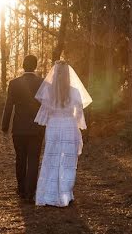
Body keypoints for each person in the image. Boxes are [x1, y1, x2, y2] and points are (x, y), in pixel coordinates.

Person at [33, 60, 92, 207]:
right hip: (68, 126)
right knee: (67, 162)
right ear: (68, 74)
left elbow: (45, 113)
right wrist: (78, 127)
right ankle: (65, 194)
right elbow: (79, 114)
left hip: (53, 126)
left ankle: (49, 193)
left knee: (51, 159)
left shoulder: (48, 90)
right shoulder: (75, 91)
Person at [1, 55, 45, 203]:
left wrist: (4, 127)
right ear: (36, 66)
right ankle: (30, 192)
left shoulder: (14, 83)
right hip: (37, 128)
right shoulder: (42, 82)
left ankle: (21, 189)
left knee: (20, 158)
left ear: (22, 65)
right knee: (33, 159)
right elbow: (46, 106)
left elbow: (8, 106)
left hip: (19, 128)